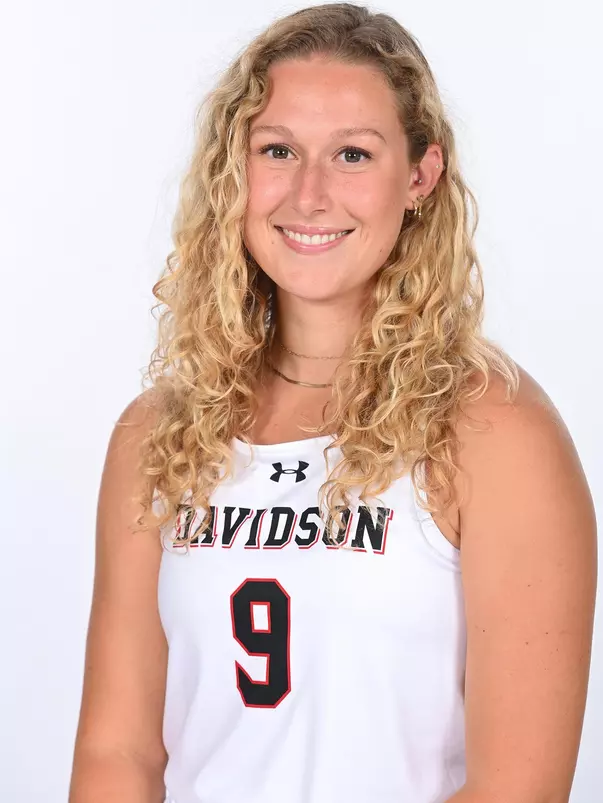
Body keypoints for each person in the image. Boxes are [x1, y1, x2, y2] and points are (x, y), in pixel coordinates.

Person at [69, 4, 598, 803]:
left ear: (419, 177)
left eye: (352, 154)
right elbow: (119, 754)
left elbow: (516, 789)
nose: (309, 194)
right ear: (232, 171)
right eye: (277, 150)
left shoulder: (494, 429)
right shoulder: (159, 433)